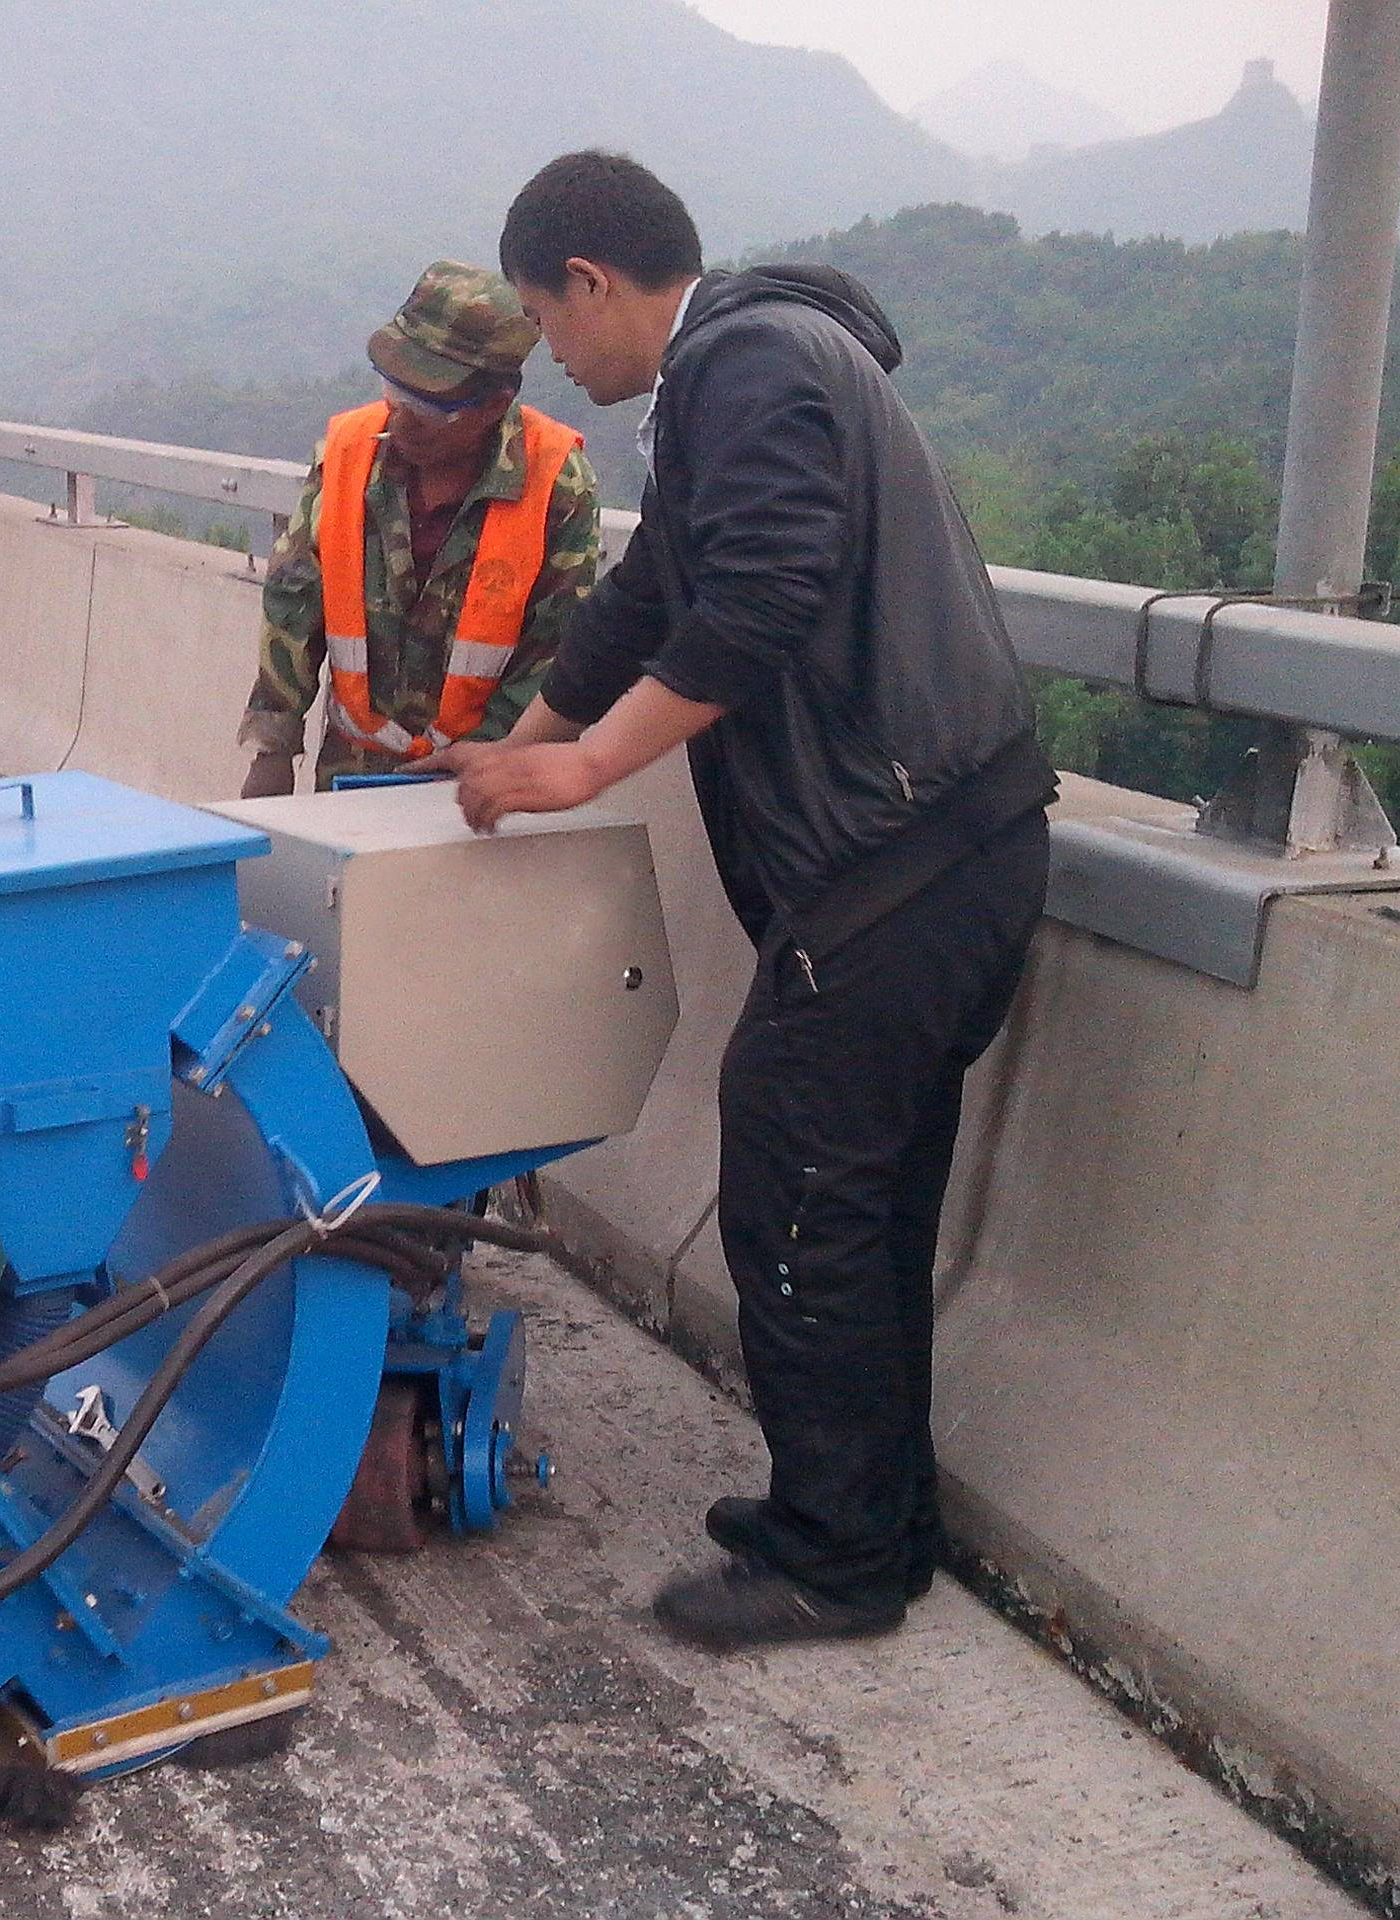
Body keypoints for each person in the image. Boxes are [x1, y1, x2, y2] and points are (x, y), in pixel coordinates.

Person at [438, 150, 1056, 1650]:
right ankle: (867, 1516)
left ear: (593, 281)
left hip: (901, 865)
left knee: (795, 1188)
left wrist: (585, 771)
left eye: (546, 318)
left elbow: (767, 597)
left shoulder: (749, 362)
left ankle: (835, 1562)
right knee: (868, 1196)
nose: (550, 357)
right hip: (943, 851)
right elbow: (657, 597)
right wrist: (520, 742)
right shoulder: (740, 371)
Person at [238, 261, 599, 795]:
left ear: (495, 404)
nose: (401, 417)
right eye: (394, 390)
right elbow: (294, 602)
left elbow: (556, 647)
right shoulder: (347, 456)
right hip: (350, 774)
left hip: (483, 781)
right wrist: (271, 748)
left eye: (430, 404)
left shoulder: (556, 484)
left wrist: (494, 760)